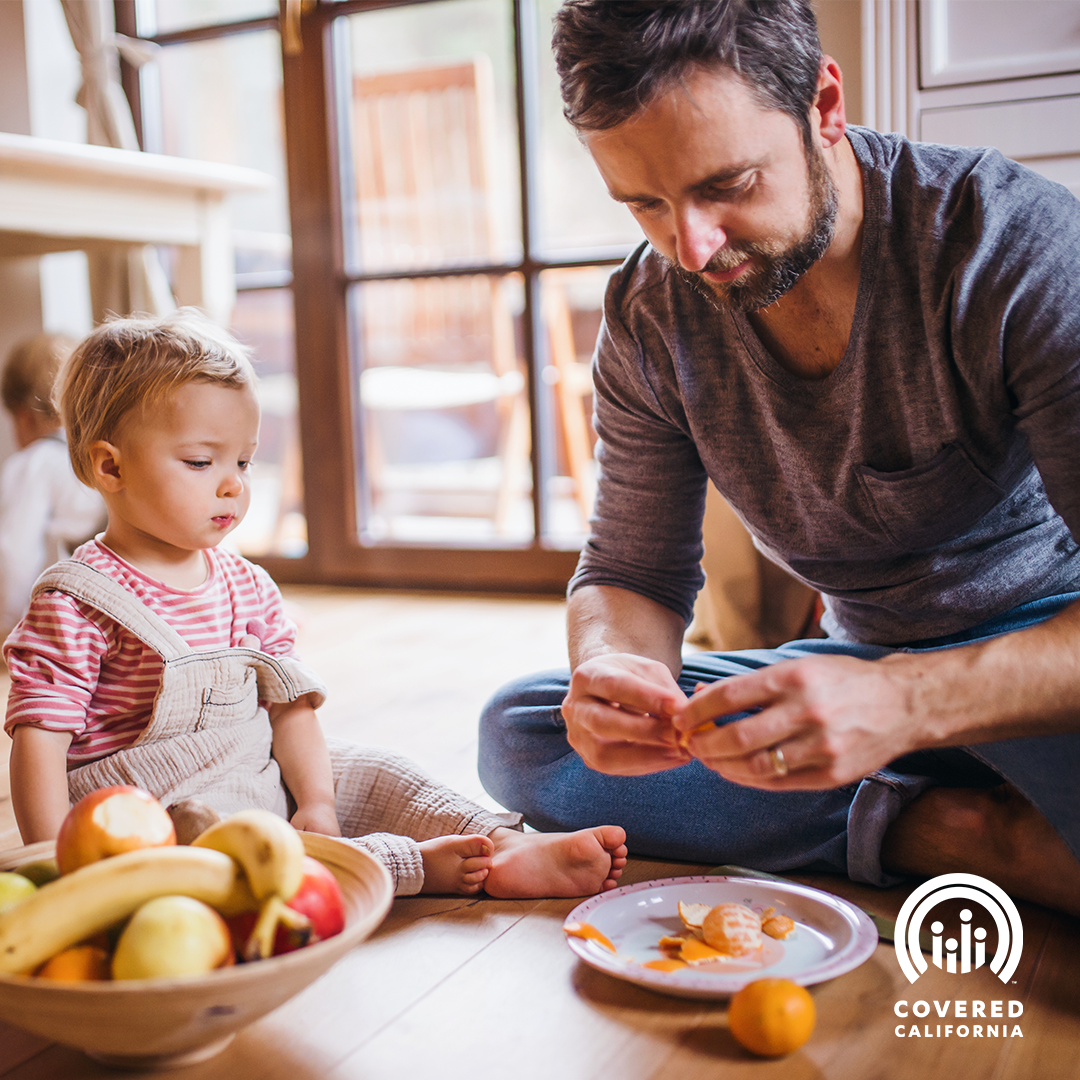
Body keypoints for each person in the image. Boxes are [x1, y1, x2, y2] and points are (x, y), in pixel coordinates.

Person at [478, 0, 1080, 916]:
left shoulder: (1011, 249)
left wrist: (910, 704)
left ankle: (913, 814)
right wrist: (618, 673)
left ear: (823, 105)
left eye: (729, 183)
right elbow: (631, 569)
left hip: (1038, 672)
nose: (691, 246)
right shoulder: (648, 314)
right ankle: (960, 833)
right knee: (525, 734)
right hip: (854, 676)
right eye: (644, 202)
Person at [4, 309, 627, 899]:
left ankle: (498, 840)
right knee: (245, 855)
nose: (233, 484)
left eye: (243, 461)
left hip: (257, 767)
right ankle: (416, 867)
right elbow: (39, 741)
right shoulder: (79, 600)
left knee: (379, 772)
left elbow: (291, 710)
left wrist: (319, 802)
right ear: (109, 468)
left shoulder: (246, 585)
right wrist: (57, 860)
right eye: (201, 462)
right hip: (160, 815)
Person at [0, 335, 105, 643]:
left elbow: (16, 553)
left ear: (23, 417)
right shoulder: (101, 455)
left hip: (70, 617)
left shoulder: (34, 463)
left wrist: (8, 623)